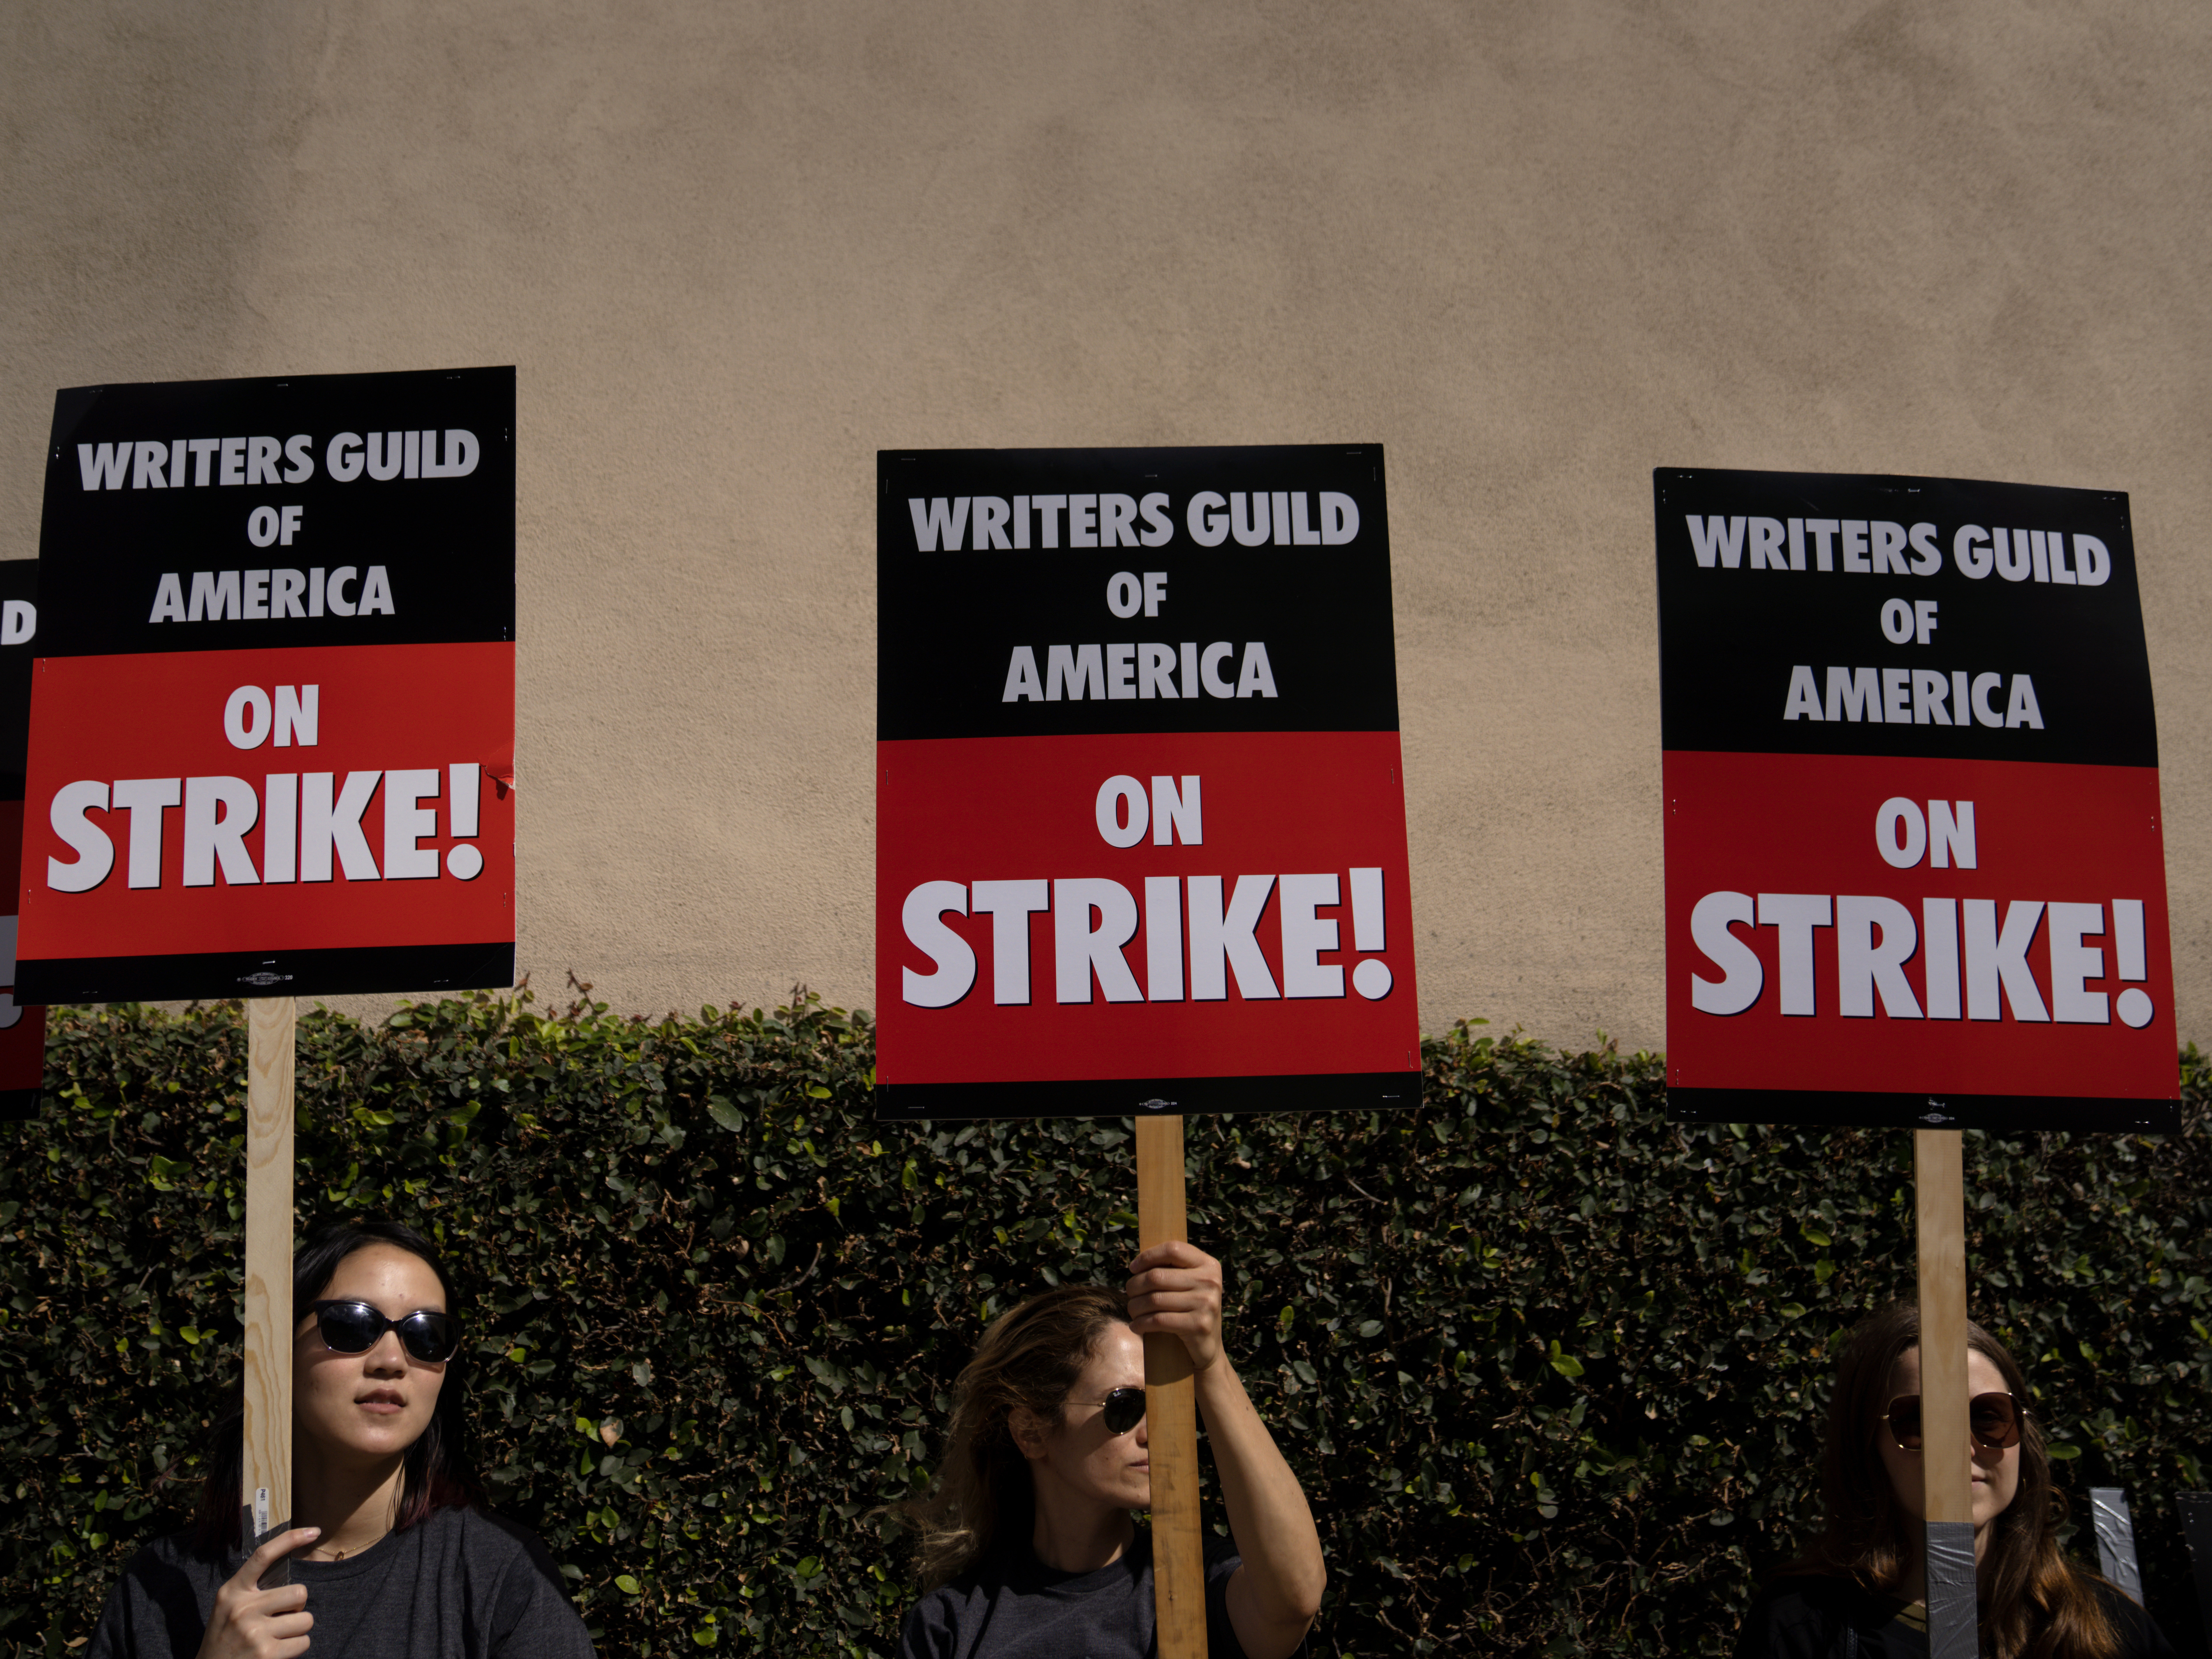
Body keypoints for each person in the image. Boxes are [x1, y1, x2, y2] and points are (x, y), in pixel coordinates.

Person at [88, 1218, 594, 1658]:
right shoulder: (161, 1586)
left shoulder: (500, 1576)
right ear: (279, 1347)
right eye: (353, 1325)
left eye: (426, 1335)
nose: (391, 1361)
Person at [896, 1240, 1326, 1658]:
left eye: (1165, 1406)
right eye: (1125, 1406)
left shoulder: (1197, 1585)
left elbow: (1295, 1599)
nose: (1154, 1433)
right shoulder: (953, 1624)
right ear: (1031, 1432)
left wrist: (1211, 1365)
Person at [1734, 1301, 2175, 1659]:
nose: (1962, 1449)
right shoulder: (1802, 1631)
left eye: (1988, 1417)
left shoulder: (2108, 1627)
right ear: (1868, 1445)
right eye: (1922, 1422)